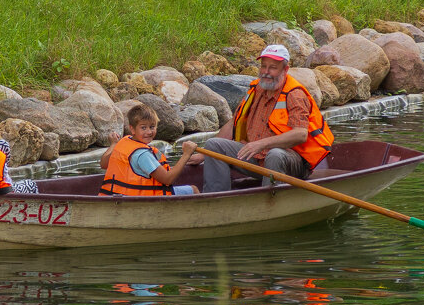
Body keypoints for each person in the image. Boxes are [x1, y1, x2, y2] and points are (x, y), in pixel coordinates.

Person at [198, 44, 333, 192]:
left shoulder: (294, 94)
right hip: (258, 158)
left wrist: (262, 144)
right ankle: (215, 200)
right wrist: (203, 155)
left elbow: (300, 134)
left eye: (273, 68)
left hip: (291, 162)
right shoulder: (256, 89)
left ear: (285, 70)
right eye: (263, 66)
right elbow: (233, 123)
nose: (266, 72)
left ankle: (269, 202)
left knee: (274, 154)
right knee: (213, 145)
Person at [99, 103, 200, 196]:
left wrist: (114, 144)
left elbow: (103, 164)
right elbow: (168, 179)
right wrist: (186, 154)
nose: (149, 132)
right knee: (194, 189)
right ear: (132, 129)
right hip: (144, 201)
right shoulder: (143, 155)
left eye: (152, 127)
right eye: (143, 128)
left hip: (120, 198)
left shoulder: (124, 142)